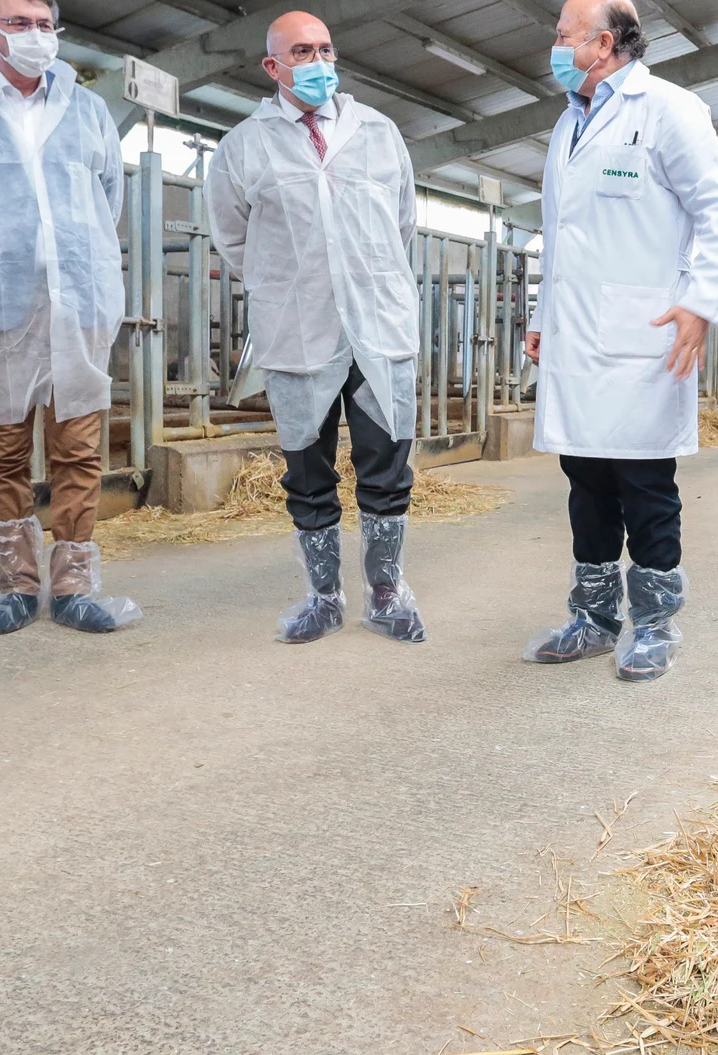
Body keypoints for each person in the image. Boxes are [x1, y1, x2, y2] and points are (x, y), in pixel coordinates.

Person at [521, 0, 718, 681]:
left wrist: (701, 305)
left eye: (564, 34)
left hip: (644, 335)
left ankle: (654, 624)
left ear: (606, 42)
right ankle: (593, 618)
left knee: (644, 483)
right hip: (575, 340)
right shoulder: (568, 123)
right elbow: (560, 238)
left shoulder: (669, 110)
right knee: (584, 481)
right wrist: (539, 316)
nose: (556, 44)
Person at [0, 0, 140, 636]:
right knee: (3, 452)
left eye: (44, 24)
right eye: (19, 23)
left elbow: (106, 201)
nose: (36, 35)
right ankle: (15, 587)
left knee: (79, 449)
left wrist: (73, 261)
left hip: (78, 302)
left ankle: (72, 589)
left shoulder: (88, 110)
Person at [206, 10, 427, 645]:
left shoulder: (380, 133)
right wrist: (295, 284)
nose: (318, 62)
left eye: (325, 49)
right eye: (302, 52)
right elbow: (232, 235)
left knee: (386, 464)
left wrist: (358, 279)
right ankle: (323, 596)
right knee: (307, 468)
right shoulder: (244, 145)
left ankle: (386, 592)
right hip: (298, 327)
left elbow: (402, 224)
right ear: (273, 67)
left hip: (378, 325)